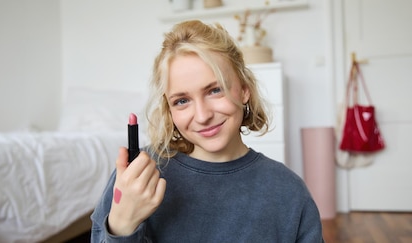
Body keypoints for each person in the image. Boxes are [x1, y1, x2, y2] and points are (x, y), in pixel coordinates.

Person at [90, 20, 323, 242]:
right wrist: (122, 225)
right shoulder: (137, 177)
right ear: (168, 109)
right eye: (182, 101)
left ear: (244, 90)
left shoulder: (289, 192)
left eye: (214, 90)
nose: (202, 116)